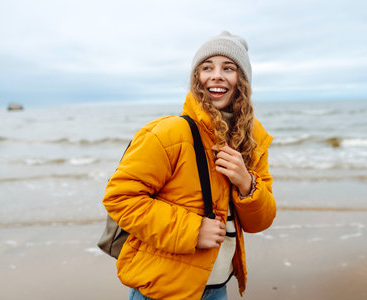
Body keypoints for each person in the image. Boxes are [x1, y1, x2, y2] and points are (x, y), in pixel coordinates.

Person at [102, 31, 276, 300]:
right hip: (162, 289)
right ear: (197, 78)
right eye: (207, 67)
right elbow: (120, 198)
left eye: (228, 68)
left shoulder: (252, 143)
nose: (216, 75)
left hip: (218, 287)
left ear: (242, 80)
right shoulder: (169, 132)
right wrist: (192, 231)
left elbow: (260, 222)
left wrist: (246, 184)